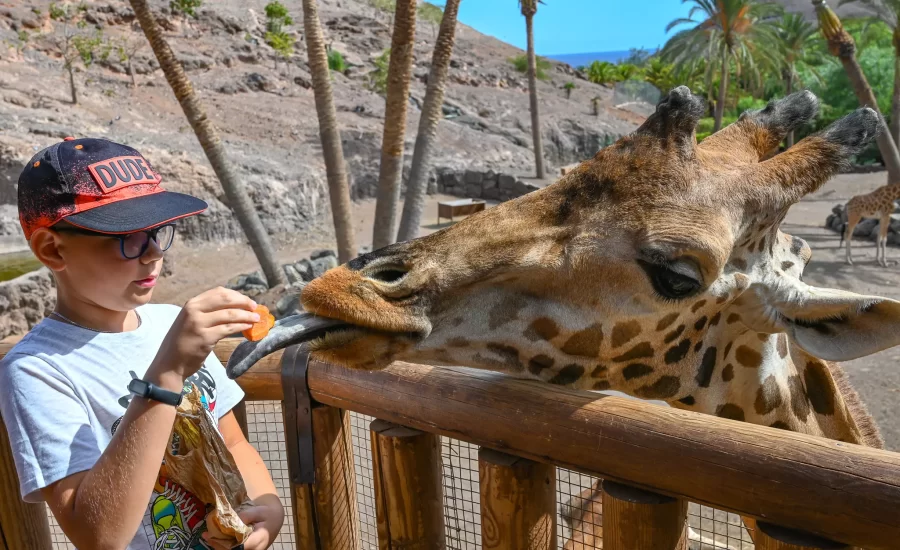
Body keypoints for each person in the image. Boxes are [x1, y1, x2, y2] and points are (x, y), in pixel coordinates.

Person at [0, 137, 284, 550]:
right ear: (51, 248)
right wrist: (167, 371)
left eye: (157, 231)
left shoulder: (170, 322)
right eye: (127, 236)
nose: (152, 253)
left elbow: (234, 442)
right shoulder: (36, 369)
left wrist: (267, 509)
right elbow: (98, 537)